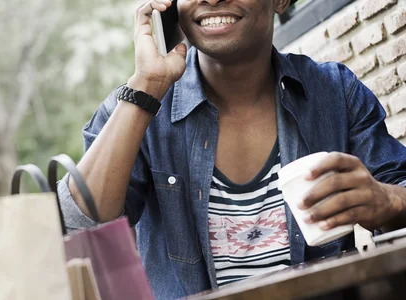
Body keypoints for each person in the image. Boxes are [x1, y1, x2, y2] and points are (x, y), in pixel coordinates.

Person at [57, 0, 406, 298]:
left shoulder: (335, 93)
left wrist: (385, 199)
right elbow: (77, 226)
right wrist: (147, 85)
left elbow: (399, 193)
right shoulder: (141, 108)